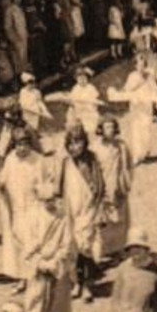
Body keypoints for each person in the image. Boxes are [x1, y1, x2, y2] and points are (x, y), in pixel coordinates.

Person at [19, 180, 75, 312]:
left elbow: (67, 240)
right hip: (40, 262)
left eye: (52, 199)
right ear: (39, 200)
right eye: (46, 200)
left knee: (58, 295)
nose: (50, 203)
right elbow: (28, 243)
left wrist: (58, 258)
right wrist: (40, 262)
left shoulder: (62, 216)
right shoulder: (32, 217)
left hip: (57, 262)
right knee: (37, 295)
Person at [56, 125, 105, 301]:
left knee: (86, 246)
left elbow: (99, 186)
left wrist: (96, 207)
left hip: (87, 209)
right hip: (70, 210)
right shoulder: (65, 162)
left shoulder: (91, 160)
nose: (74, 147)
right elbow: (60, 187)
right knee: (72, 247)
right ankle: (76, 282)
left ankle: (88, 285)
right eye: (71, 143)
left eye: (78, 142)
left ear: (85, 143)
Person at [0, 127, 45, 285]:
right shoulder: (11, 159)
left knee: (33, 241)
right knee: (18, 242)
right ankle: (22, 277)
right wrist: (1, 185)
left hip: (34, 206)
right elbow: (3, 179)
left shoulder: (38, 160)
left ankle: (35, 275)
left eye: (25, 144)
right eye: (18, 145)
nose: (22, 148)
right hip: (17, 207)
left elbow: (45, 184)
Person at [93, 116, 133, 261]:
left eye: (112, 126)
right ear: (101, 129)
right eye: (106, 127)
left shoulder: (122, 146)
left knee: (121, 218)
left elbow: (128, 165)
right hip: (104, 185)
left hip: (118, 185)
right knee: (105, 219)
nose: (110, 130)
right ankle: (104, 249)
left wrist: (126, 181)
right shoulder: (96, 148)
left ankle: (119, 249)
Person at [115, 56, 157, 163]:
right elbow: (127, 90)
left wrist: (153, 97)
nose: (141, 67)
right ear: (135, 66)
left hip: (146, 106)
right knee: (136, 130)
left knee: (146, 128)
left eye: (143, 65)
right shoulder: (132, 76)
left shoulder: (149, 76)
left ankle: (145, 151)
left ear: (145, 66)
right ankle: (136, 155)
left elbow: (155, 90)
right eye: (138, 65)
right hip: (136, 106)